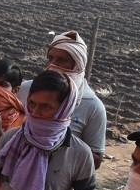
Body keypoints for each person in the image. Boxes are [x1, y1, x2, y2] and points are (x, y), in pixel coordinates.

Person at [18, 31, 107, 170]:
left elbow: (95, 161)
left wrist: (56, 143)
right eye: (50, 58)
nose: (53, 64)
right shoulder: (26, 89)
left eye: (62, 60)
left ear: (78, 64)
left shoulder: (92, 106)